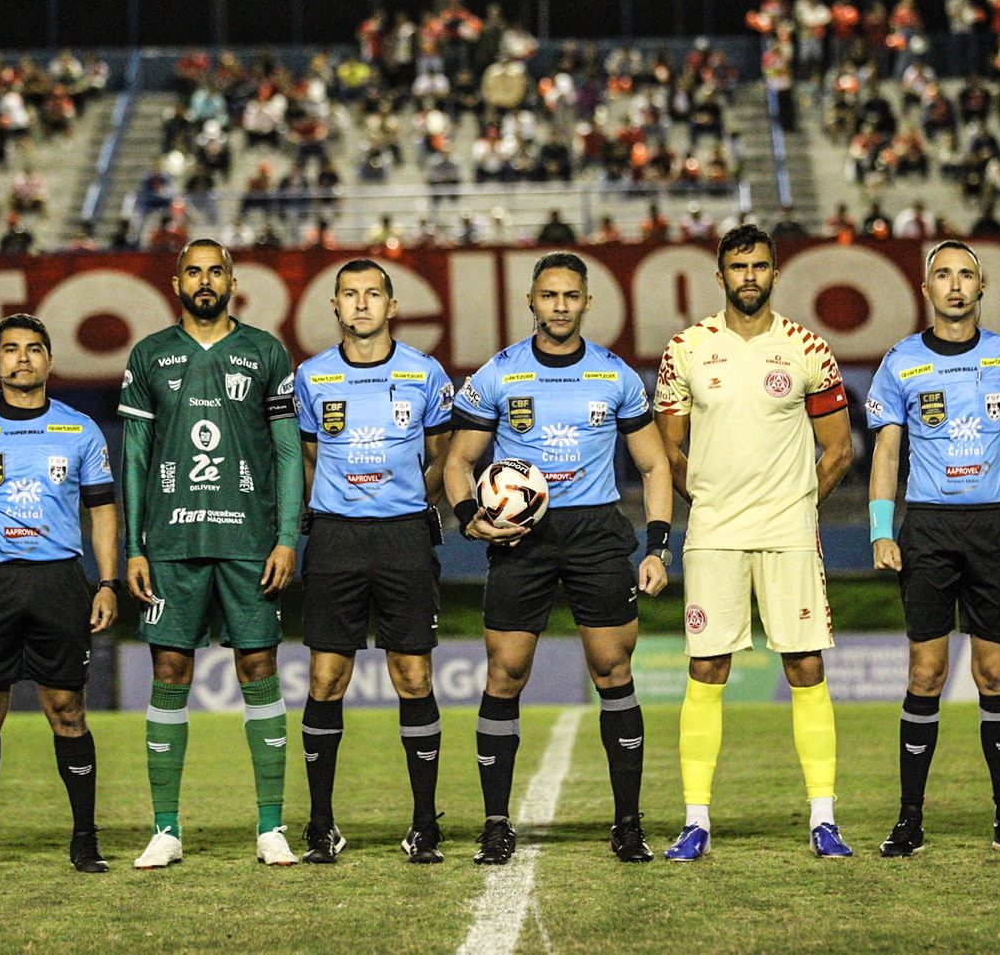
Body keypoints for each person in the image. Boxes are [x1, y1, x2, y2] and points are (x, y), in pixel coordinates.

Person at [444, 251, 672, 865]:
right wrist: (471, 519)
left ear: (588, 303)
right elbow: (458, 463)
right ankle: (496, 824)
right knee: (504, 673)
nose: (561, 306)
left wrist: (657, 545)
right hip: (524, 537)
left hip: (597, 531)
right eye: (549, 296)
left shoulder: (616, 375)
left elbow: (654, 466)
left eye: (572, 296)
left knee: (613, 671)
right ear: (532, 302)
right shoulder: (500, 373)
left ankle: (628, 825)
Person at [652, 224, 856, 862]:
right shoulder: (685, 349)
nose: (749, 277)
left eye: (760, 266)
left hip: (787, 532)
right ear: (720, 276)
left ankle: (823, 818)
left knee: (805, 665)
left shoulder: (808, 349)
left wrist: (795, 507)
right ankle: (695, 822)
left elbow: (839, 450)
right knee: (707, 668)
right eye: (738, 267)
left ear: (775, 273)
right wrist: (708, 501)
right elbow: (669, 449)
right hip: (713, 532)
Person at [865, 240, 1000, 859]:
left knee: (993, 673)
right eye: (942, 274)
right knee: (927, 672)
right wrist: (881, 528)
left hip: (993, 529)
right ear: (926, 288)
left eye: (964, 274)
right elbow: (887, 452)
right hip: (929, 531)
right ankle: (909, 820)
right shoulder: (901, 362)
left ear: (982, 285)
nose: (953, 284)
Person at [119, 240, 303, 869]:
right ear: (177, 283)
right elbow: (136, 459)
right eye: (193, 272)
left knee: (259, 669)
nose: (204, 281)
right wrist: (133, 548)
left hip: (250, 544)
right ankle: (166, 829)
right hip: (171, 544)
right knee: (170, 672)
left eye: (215, 271)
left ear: (232, 280)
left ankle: (271, 827)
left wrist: (286, 537)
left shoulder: (265, 352)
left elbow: (286, 452)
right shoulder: (149, 356)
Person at [0, 314, 120, 875]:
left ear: (50, 361)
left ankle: (85, 839)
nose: (23, 358)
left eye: (34, 349)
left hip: (59, 581)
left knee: (68, 710)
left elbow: (102, 510)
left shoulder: (80, 430)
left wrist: (106, 581)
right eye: (10, 349)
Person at [292, 259, 455, 864]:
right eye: (350, 295)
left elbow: (441, 456)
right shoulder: (311, 378)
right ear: (334, 307)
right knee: (324, 679)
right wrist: (339, 504)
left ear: (392, 306)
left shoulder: (424, 372)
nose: (361, 304)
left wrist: (409, 504)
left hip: (403, 540)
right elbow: (307, 461)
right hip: (335, 540)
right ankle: (321, 825)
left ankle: (423, 825)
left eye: (373, 294)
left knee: (413, 676)